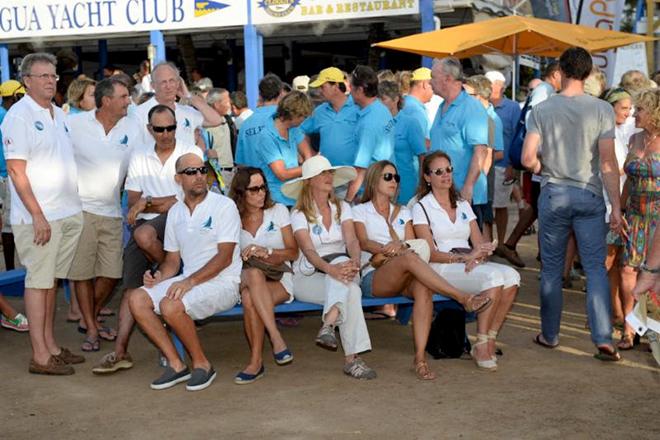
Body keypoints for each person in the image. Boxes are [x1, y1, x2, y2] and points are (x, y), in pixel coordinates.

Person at [522, 47, 623, 361]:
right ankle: (603, 337)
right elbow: (608, 163)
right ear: (589, 73)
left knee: (551, 270)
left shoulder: (542, 109)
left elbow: (527, 159)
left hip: (554, 193)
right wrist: (616, 207)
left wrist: (546, 169)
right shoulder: (602, 110)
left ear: (561, 71)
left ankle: (550, 334)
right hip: (590, 195)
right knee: (594, 269)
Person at [353, 160, 492, 379]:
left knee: (423, 287)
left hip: (405, 271)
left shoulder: (403, 212)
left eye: (396, 177)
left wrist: (401, 248)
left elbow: (411, 244)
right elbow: (363, 242)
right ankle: (462, 297)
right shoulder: (360, 211)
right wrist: (390, 248)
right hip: (375, 274)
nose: (394, 181)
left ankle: (419, 359)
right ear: (373, 180)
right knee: (409, 259)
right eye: (388, 177)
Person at [92, 105, 203, 374]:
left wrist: (148, 201)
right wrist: (149, 203)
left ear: (177, 125)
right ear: (149, 129)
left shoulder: (191, 152)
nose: (166, 134)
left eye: (171, 127)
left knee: (143, 235)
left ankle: (166, 271)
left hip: (183, 221)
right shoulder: (140, 155)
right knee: (131, 287)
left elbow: (191, 196)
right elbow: (131, 202)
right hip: (149, 227)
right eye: (160, 129)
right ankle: (120, 351)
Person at [128, 153, 241, 391]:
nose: (199, 176)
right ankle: (176, 364)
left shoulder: (224, 206)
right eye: (191, 172)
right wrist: (158, 277)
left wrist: (189, 282)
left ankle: (202, 364)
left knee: (171, 304)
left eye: (202, 170)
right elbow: (171, 260)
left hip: (224, 282)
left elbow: (225, 257)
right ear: (178, 178)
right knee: (137, 298)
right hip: (190, 280)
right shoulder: (176, 213)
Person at [2, 52, 85, 374]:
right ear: (27, 81)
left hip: (66, 212)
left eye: (53, 75)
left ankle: (50, 346)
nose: (51, 81)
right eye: (43, 76)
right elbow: (16, 171)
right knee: (38, 283)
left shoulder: (57, 113)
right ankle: (39, 356)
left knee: (49, 282)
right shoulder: (19, 116)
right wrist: (37, 215)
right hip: (40, 217)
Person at [412, 151, 520, 371]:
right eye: (438, 172)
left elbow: (478, 242)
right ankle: (480, 343)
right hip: (441, 267)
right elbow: (429, 252)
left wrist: (482, 252)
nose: (446, 175)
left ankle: (489, 338)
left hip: (466, 263)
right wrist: (464, 257)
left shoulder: (461, 203)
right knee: (493, 278)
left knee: (512, 276)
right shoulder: (421, 206)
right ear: (427, 177)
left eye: (449, 169)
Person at [282, 155, 376, 379]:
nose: (329, 177)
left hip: (342, 271)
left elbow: (353, 241)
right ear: (309, 181)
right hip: (309, 277)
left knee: (351, 289)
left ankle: (330, 327)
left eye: (330, 172)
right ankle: (351, 358)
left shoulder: (342, 206)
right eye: (323, 173)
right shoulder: (298, 214)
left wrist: (354, 261)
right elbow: (309, 251)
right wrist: (333, 268)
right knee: (348, 284)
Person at [67, 78, 141, 352]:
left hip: (112, 211)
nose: (128, 101)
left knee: (112, 273)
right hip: (79, 210)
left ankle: (91, 320)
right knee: (82, 273)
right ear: (106, 100)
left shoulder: (133, 128)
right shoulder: (74, 124)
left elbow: (145, 160)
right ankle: (92, 330)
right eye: (123, 96)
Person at [229, 167, 298, 384]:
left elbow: (293, 252)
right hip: (243, 276)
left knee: (251, 297)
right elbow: (223, 255)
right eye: (254, 189)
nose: (261, 193)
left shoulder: (278, 211)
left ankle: (256, 362)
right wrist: (242, 255)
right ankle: (275, 337)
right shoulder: (231, 216)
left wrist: (266, 251)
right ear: (241, 192)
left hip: (279, 276)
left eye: (263, 188)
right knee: (253, 274)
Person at [498, 62, 562, 268]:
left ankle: (515, 244)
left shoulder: (543, 91)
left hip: (537, 160)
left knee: (536, 207)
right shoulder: (545, 91)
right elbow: (533, 120)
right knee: (541, 208)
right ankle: (530, 250)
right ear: (555, 74)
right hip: (540, 160)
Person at [618, 88, 660, 350]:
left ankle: (653, 327)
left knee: (654, 274)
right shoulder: (633, 139)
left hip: (658, 216)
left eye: (640, 109)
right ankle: (629, 326)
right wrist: (619, 211)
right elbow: (628, 180)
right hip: (634, 214)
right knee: (627, 269)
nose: (634, 113)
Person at [429, 58, 490, 227]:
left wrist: (468, 187)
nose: (429, 81)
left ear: (448, 78)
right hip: (444, 192)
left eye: (433, 76)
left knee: (470, 248)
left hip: (464, 195)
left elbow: (481, 151)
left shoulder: (471, 108)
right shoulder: (442, 106)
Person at [602, 88, 635, 329]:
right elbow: (610, 169)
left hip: (619, 205)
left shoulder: (617, 133)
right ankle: (608, 313)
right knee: (608, 260)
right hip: (609, 205)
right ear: (610, 107)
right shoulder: (605, 134)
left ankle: (616, 313)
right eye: (624, 108)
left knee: (616, 262)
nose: (629, 112)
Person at [134, 62, 222, 146]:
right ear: (153, 85)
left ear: (178, 83)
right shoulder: (139, 113)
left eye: (172, 81)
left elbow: (216, 120)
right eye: (163, 82)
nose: (168, 86)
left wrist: (188, 96)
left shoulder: (187, 111)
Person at [254, 90, 314, 206]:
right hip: (277, 200)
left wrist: (309, 164)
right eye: (303, 116)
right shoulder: (266, 137)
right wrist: (311, 167)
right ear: (294, 115)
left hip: (296, 196)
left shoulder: (293, 129)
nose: (304, 120)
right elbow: (282, 174)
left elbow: (307, 154)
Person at [345, 65, 395, 203]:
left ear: (360, 90)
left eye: (351, 87)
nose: (349, 92)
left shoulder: (369, 122)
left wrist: (347, 201)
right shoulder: (382, 109)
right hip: (386, 185)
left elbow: (360, 169)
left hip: (372, 193)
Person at [463, 75, 503, 238]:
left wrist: (477, 180)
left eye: (468, 94)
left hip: (480, 180)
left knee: (482, 218)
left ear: (478, 96)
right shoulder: (479, 116)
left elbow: (492, 153)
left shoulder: (489, 119)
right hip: (477, 179)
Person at [486, 71, 522, 246]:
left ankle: (500, 242)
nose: (488, 87)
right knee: (485, 205)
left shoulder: (513, 107)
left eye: (490, 83)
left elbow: (517, 137)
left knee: (500, 206)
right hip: (483, 163)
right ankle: (487, 242)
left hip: (502, 163)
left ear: (500, 86)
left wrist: (512, 165)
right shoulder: (481, 105)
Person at [377, 81, 427, 206]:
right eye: (377, 99)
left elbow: (422, 156)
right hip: (380, 186)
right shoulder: (376, 123)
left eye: (383, 99)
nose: (379, 103)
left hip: (405, 185)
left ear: (395, 100)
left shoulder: (410, 123)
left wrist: (422, 185)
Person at [302, 67, 359, 167]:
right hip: (327, 175)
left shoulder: (358, 108)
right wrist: (309, 156)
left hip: (354, 175)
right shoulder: (319, 111)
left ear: (335, 86)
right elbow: (300, 131)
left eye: (322, 87)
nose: (319, 91)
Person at [0, 79, 25, 271]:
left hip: (7, 173)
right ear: (16, 96)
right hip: (7, 175)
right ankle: (10, 270)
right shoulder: (8, 116)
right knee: (9, 225)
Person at [234, 74, 284, 167]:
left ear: (260, 95)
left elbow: (240, 163)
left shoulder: (246, 123)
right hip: (284, 178)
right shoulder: (286, 118)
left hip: (254, 178)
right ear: (281, 93)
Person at [205, 88, 237, 188]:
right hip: (217, 174)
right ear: (216, 104)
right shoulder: (205, 124)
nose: (230, 104)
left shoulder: (227, 120)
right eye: (227, 101)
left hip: (231, 172)